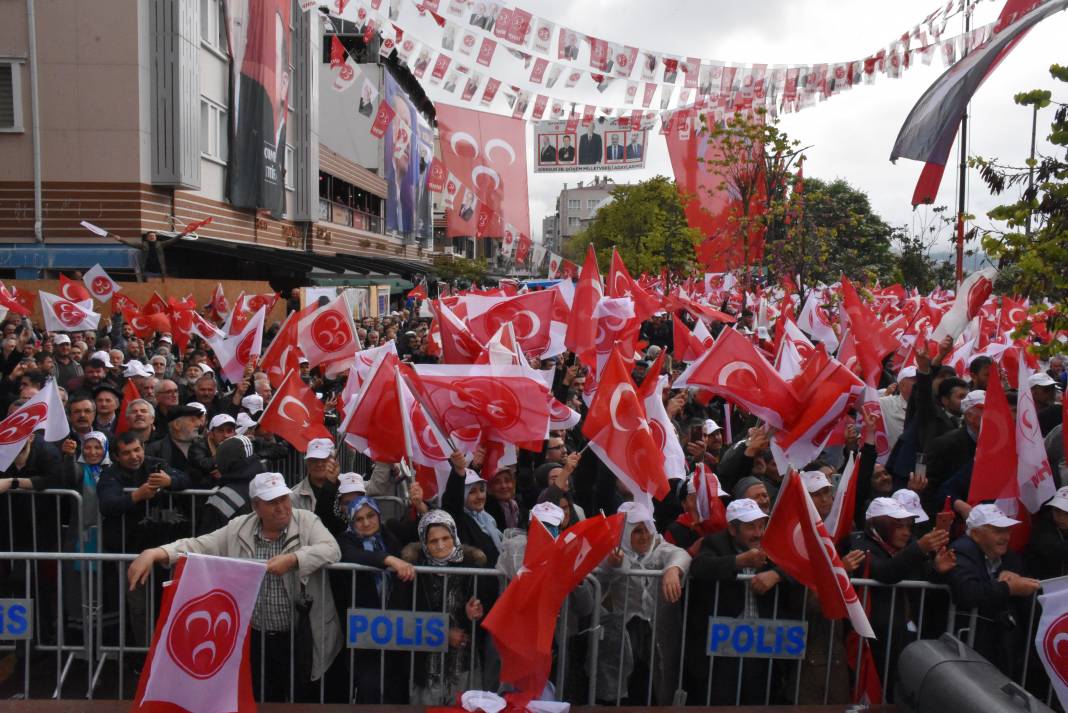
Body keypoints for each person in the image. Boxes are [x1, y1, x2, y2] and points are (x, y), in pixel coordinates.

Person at [126, 472, 342, 702]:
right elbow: (201, 544)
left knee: (300, 697)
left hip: (300, 635)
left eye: (283, 499)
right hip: (255, 637)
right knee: (260, 697)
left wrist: (294, 560)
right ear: (256, 507)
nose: (281, 507)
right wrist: (156, 552)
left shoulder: (308, 521)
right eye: (272, 502)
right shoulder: (239, 527)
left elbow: (331, 548)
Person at [844, 497, 954, 698]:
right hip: (874, 637)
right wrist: (919, 549)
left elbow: (920, 575)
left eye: (909, 526)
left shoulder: (909, 545)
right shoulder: (859, 544)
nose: (906, 532)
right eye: (899, 526)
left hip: (906, 634)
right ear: (880, 525)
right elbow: (886, 573)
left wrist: (937, 569)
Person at [592, 502, 690, 705]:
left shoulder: (658, 546)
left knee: (651, 687)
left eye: (647, 529)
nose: (644, 536)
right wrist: (613, 565)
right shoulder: (611, 550)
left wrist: (673, 569)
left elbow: (680, 555)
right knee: (619, 691)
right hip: (620, 634)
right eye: (637, 531)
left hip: (652, 635)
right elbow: (598, 578)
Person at [685, 498, 779, 705]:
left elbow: (798, 565)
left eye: (761, 526)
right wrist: (739, 561)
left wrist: (776, 574)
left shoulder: (771, 544)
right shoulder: (714, 542)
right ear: (732, 529)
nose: (758, 533)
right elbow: (700, 566)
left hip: (763, 644)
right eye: (750, 527)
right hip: (723, 648)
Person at [400, 510, 486, 706]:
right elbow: (402, 619)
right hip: (427, 669)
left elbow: (482, 619)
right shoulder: (413, 571)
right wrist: (443, 634)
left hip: (463, 665)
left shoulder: (471, 567)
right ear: (424, 542)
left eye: (446, 538)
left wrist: (472, 614)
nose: (440, 545)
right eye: (433, 541)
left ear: (454, 536)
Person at [944, 503, 1040, 677]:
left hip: (996, 645)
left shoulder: (1008, 556)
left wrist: (1013, 576)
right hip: (968, 647)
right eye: (997, 531)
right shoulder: (960, 552)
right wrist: (1008, 588)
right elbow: (968, 592)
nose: (1005, 537)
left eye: (1007, 530)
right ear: (976, 534)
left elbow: (1027, 580)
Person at [334, 495, 414, 703]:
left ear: (379, 516)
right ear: (352, 522)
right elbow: (351, 555)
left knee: (397, 687)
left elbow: (416, 529)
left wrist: (420, 504)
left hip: (395, 627)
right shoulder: (346, 540)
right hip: (364, 631)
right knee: (369, 688)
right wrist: (388, 559)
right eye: (359, 519)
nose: (366, 522)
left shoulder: (389, 536)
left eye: (370, 515)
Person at [442, 454, 502, 566]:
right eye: (472, 492)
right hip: (472, 582)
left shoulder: (487, 519)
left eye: (482, 489)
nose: (480, 496)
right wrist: (459, 470)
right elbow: (452, 501)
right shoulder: (457, 520)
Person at [1025, 486, 1068, 579]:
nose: (1061, 517)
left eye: (1067, 513)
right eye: (1057, 511)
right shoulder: (1042, 528)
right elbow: (1056, 549)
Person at [291, 437, 340, 511]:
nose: (319, 464)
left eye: (324, 459)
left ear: (334, 460)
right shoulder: (294, 496)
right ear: (307, 462)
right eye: (314, 460)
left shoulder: (348, 488)